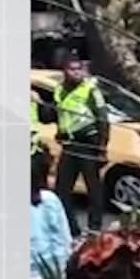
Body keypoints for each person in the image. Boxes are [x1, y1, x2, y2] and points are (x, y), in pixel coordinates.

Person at [44, 58, 110, 235]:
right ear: (65, 71)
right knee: (61, 190)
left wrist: (102, 147)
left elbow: (103, 118)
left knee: (93, 188)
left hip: (89, 144)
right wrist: (60, 131)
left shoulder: (90, 90)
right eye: (72, 70)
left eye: (79, 70)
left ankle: (94, 228)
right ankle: (72, 229)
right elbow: (62, 114)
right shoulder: (59, 90)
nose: (77, 73)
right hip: (69, 145)